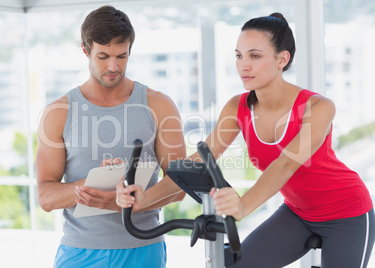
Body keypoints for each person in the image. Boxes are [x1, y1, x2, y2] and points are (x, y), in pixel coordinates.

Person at [117, 13, 375, 267]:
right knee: (236, 264)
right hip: (298, 213)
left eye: (255, 56)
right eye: (239, 56)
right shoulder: (237, 108)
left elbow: (285, 165)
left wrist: (242, 206)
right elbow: (197, 162)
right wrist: (145, 199)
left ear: (282, 59)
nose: (244, 65)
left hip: (347, 213)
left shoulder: (318, 107)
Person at [36, 5, 186, 268]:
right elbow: (46, 197)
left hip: (143, 247)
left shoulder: (160, 105)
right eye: (103, 56)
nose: (114, 66)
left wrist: (132, 200)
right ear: (85, 50)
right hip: (79, 253)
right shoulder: (58, 113)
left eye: (122, 56)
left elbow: (179, 185)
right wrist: (96, 185)